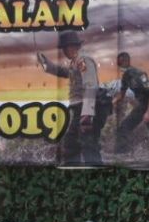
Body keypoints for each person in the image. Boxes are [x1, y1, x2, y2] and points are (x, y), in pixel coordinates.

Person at [36, 30, 108, 164]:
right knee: (73, 145)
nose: (63, 51)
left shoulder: (83, 60)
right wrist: (46, 64)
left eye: (64, 48)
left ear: (71, 46)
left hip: (86, 110)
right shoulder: (75, 61)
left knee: (87, 145)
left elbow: (91, 85)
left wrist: (87, 114)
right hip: (80, 109)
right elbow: (64, 72)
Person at [112, 52, 149, 153]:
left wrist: (148, 112)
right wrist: (112, 102)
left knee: (123, 128)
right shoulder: (126, 77)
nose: (120, 66)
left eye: (121, 63)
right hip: (142, 104)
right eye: (119, 64)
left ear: (127, 61)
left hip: (147, 103)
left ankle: (121, 155)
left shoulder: (139, 74)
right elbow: (121, 95)